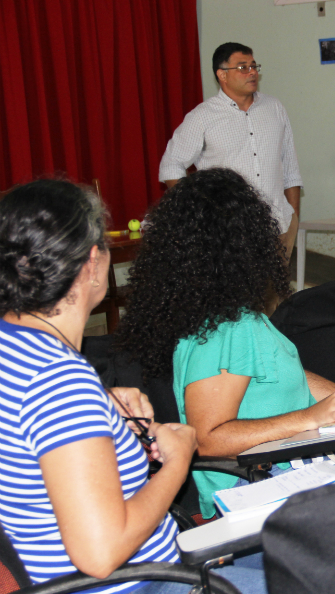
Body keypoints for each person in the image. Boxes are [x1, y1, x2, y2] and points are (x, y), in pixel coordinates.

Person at [0, 180, 265, 593]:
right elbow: (100, 554)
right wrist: (177, 462)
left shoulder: (15, 349)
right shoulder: (58, 381)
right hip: (143, 584)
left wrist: (100, 405)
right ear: (92, 262)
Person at [115, 168, 335, 519]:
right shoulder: (227, 328)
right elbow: (208, 439)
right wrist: (308, 417)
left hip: (282, 466)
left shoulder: (229, 316)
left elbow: (280, 373)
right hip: (258, 485)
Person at [159, 42, 302, 267]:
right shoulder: (202, 117)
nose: (252, 72)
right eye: (243, 67)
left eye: (254, 66)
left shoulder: (274, 108)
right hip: (228, 232)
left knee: (277, 290)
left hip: (279, 226)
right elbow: (171, 164)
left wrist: (294, 217)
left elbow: (290, 167)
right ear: (222, 75)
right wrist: (197, 211)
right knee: (238, 291)